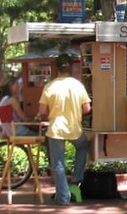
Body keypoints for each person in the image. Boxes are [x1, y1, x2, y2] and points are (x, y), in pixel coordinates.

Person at [37, 54, 92, 206]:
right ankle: (76, 177)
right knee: (83, 146)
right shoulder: (78, 85)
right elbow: (87, 108)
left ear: (56, 68)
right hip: (74, 127)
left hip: (55, 129)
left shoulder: (50, 86)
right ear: (71, 68)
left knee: (58, 165)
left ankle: (63, 198)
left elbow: (42, 110)